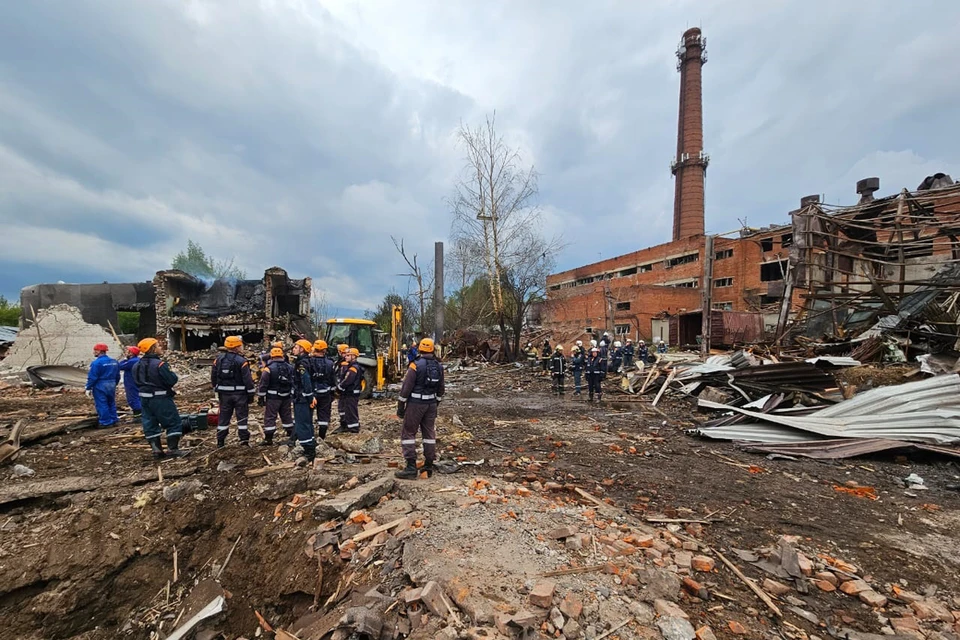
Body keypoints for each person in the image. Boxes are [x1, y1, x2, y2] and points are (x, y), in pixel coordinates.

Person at [395, 337, 445, 479]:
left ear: (420, 349)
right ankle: (428, 465)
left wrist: (400, 406)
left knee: (408, 433)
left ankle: (411, 467)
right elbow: (441, 389)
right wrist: (436, 404)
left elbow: (406, 388)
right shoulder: (439, 366)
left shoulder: (415, 365)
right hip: (431, 405)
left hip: (416, 404)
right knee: (429, 434)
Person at [133, 338, 188, 459]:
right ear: (152, 349)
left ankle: (156, 451)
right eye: (158, 346)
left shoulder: (136, 365)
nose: (160, 347)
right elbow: (171, 380)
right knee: (173, 422)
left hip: (144, 399)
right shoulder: (160, 365)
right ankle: (173, 449)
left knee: (150, 423)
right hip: (161, 398)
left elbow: (136, 381)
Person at [212, 336, 256, 448]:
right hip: (240, 395)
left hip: (224, 395)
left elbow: (213, 377)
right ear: (237, 347)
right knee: (242, 417)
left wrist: (216, 388)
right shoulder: (242, 361)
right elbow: (247, 380)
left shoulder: (218, 360)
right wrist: (251, 394)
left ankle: (220, 441)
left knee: (224, 417)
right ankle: (244, 441)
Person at [257, 346, 294, 446]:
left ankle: (268, 439)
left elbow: (263, 384)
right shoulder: (290, 367)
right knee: (286, 415)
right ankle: (291, 435)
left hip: (273, 398)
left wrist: (261, 397)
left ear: (271, 357)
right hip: (286, 396)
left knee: (270, 417)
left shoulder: (268, 369)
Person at [289, 340, 318, 461]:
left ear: (302, 349)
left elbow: (305, 381)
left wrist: (309, 396)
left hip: (302, 398)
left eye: (296, 347)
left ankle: (309, 450)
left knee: (302, 423)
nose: (293, 349)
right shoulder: (308, 361)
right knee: (307, 422)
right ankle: (311, 443)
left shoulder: (302, 364)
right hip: (304, 397)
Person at [86, 343, 120, 427]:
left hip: (100, 384)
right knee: (111, 402)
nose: (94, 352)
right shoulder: (114, 361)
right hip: (112, 384)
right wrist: (115, 383)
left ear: (99, 351)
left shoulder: (96, 363)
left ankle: (106, 422)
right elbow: (117, 375)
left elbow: (93, 377)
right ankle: (114, 419)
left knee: (102, 404)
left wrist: (88, 387)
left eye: (95, 351)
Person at [309, 339, 336, 440]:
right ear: (325, 350)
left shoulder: (308, 362)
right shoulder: (330, 363)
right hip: (325, 393)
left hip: (311, 394)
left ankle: (309, 436)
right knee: (324, 415)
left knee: (308, 414)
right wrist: (332, 392)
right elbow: (332, 379)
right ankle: (322, 437)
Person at [335, 348, 363, 434]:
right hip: (348, 392)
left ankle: (354, 428)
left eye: (348, 355)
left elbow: (348, 380)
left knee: (351, 410)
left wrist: (339, 387)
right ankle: (346, 425)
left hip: (351, 392)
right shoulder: (349, 366)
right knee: (346, 409)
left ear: (353, 356)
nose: (345, 357)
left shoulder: (353, 368)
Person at [118, 346, 142, 418]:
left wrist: (124, 359)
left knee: (133, 398)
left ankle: (138, 415)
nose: (126, 353)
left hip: (131, 382)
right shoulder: (138, 360)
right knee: (138, 397)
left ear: (131, 353)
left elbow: (119, 366)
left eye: (128, 351)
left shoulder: (131, 361)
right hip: (136, 381)